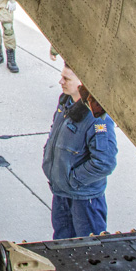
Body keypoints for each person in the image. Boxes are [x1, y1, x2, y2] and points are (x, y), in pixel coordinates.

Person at [42, 65, 118, 239]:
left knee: (89, 250)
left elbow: (104, 162)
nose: (60, 81)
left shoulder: (97, 118)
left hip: (84, 200)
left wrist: (73, 180)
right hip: (62, 192)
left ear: (83, 83)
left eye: (67, 79)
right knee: (61, 245)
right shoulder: (66, 103)